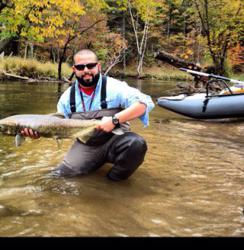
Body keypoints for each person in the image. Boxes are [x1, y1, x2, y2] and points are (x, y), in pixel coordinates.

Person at [21, 49, 155, 181]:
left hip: (116, 139)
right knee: (60, 177)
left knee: (136, 144)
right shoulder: (66, 99)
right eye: (80, 67)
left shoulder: (115, 87)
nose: (86, 70)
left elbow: (145, 103)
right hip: (87, 145)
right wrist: (38, 132)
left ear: (98, 66)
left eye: (90, 66)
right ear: (74, 69)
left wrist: (114, 120)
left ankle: (112, 182)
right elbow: (57, 126)